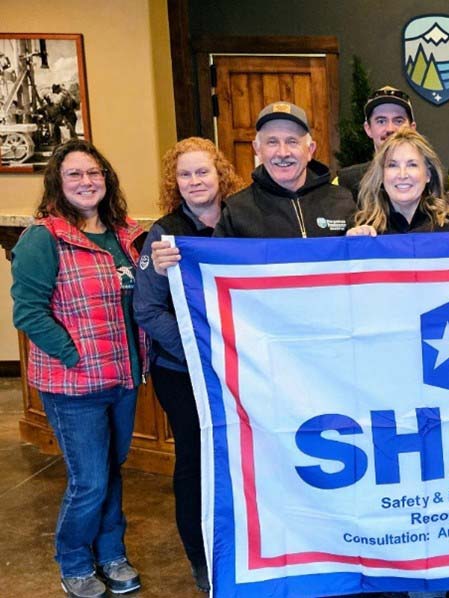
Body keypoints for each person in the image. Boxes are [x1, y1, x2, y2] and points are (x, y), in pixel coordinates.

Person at [11, 140, 149, 598]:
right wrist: (74, 355)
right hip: (74, 386)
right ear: (58, 182)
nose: (86, 182)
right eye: (74, 175)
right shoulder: (43, 237)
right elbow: (28, 312)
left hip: (124, 379)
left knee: (110, 472)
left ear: (105, 179)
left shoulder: (125, 234)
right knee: (89, 481)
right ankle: (73, 562)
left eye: (94, 173)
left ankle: (111, 555)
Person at [132, 138, 245, 593]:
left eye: (203, 172)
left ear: (221, 174)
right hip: (183, 371)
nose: (195, 182)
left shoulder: (243, 224)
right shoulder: (164, 235)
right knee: (195, 463)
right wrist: (200, 349)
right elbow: (147, 310)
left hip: (241, 367)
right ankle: (200, 557)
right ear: (173, 182)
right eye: (185, 174)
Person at [150, 101, 357, 271]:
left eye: (292, 141)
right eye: (272, 142)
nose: (282, 153)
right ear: (257, 149)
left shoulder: (342, 200)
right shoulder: (237, 211)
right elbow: (211, 273)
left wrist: (366, 240)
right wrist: (166, 269)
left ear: (310, 149)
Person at [346, 127, 449, 236]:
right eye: (392, 165)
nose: (402, 175)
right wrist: (351, 247)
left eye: (412, 165)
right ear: (381, 175)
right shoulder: (362, 229)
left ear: (428, 175)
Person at [336, 86, 419, 198]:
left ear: (412, 128)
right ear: (368, 129)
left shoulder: (441, 181)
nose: (390, 129)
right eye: (381, 121)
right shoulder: (344, 183)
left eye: (398, 121)